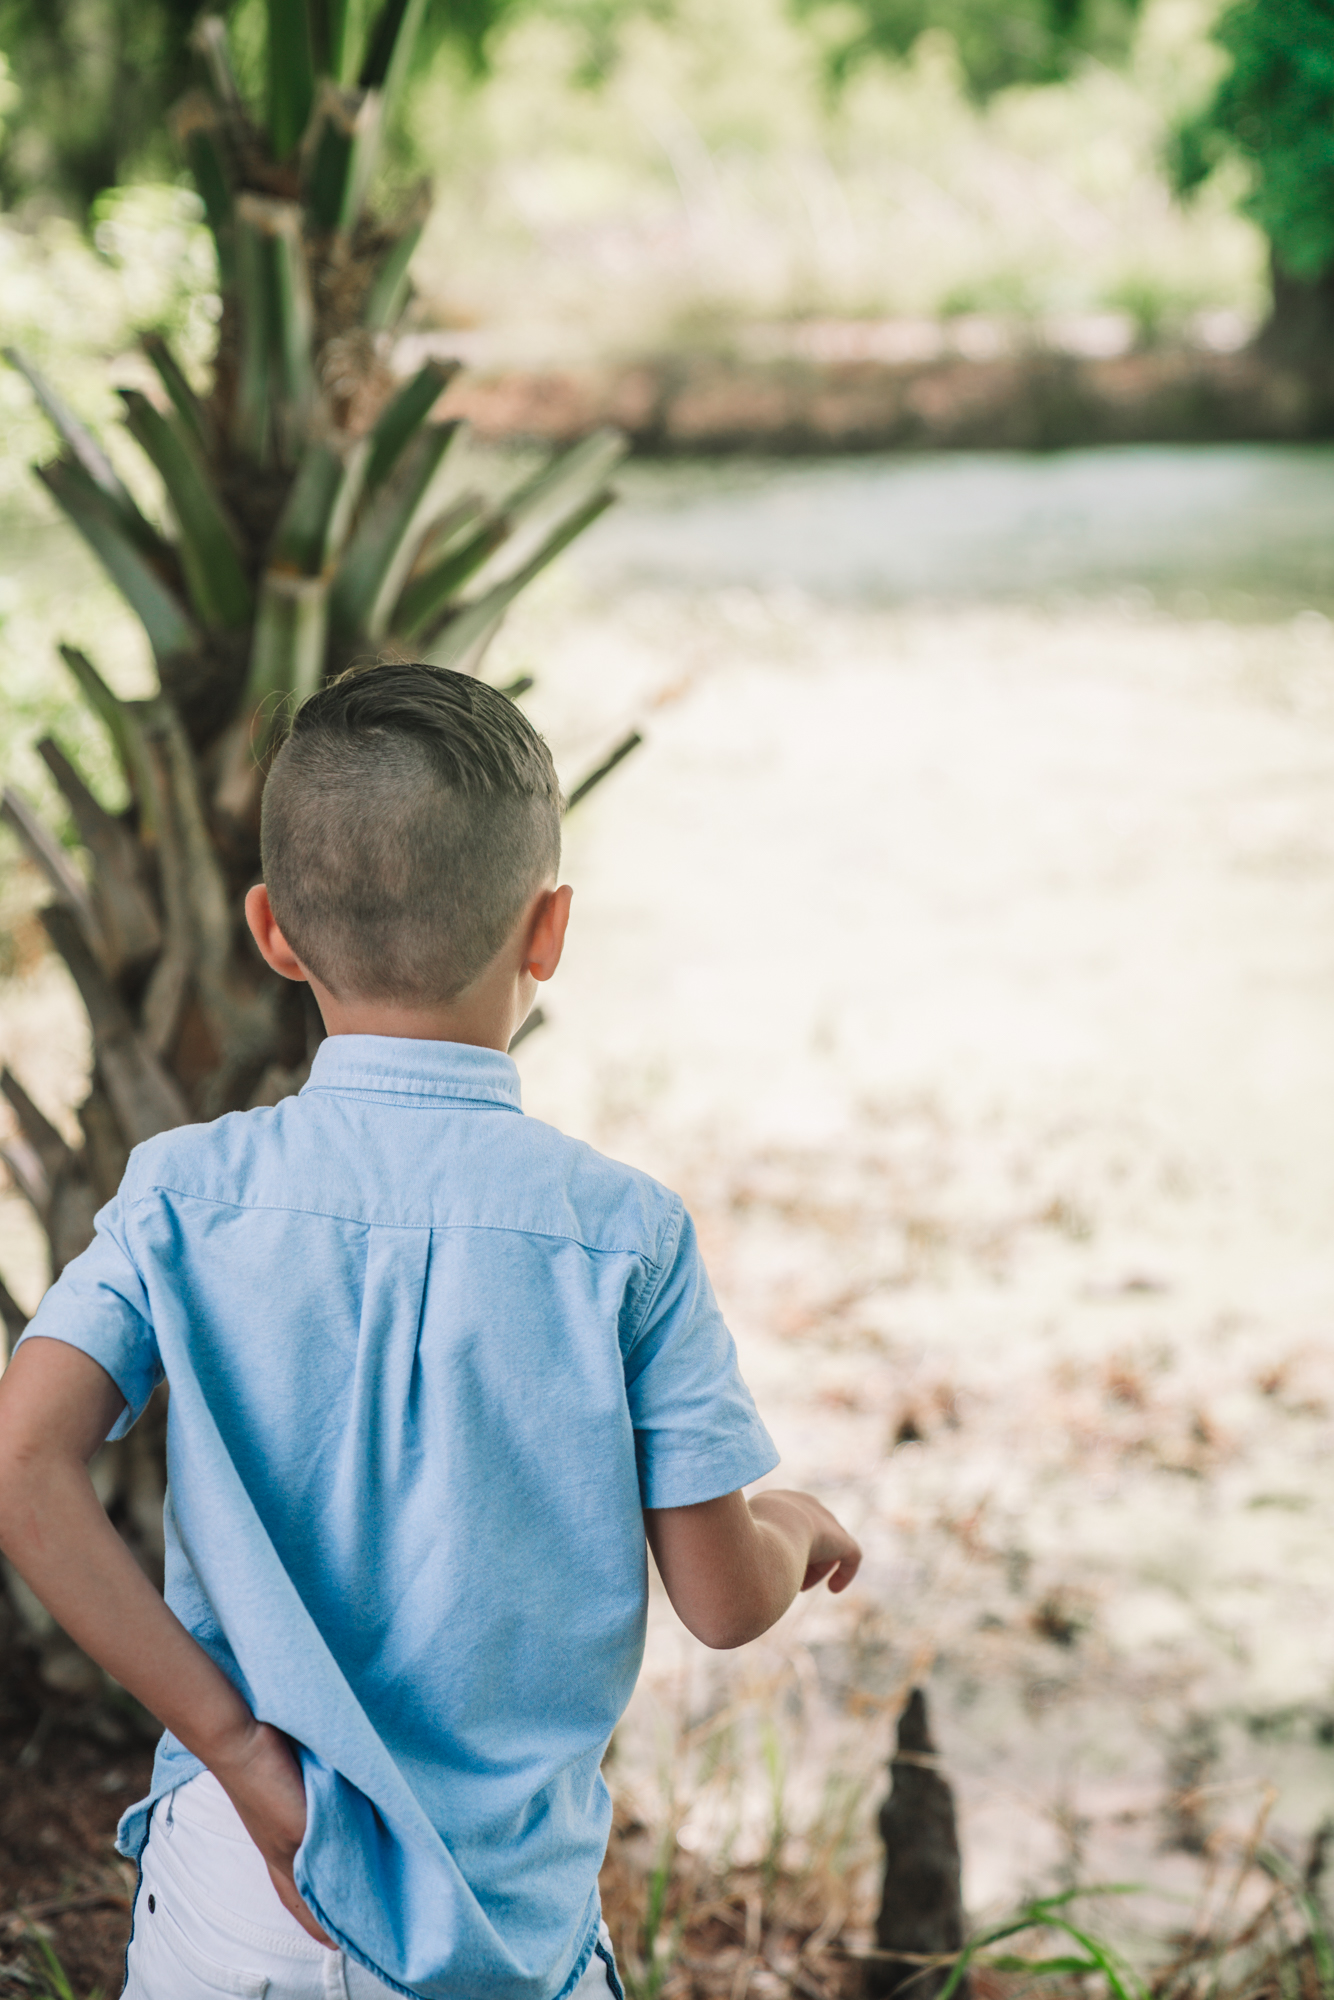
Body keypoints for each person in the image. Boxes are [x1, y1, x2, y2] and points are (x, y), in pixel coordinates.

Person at [0, 661, 862, 2000]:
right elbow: (721, 1599)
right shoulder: (623, 1239)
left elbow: (21, 1466)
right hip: (502, 1926)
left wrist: (237, 1751)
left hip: (240, 1881)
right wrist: (795, 1524)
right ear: (548, 930)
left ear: (273, 932)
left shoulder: (186, 1194)